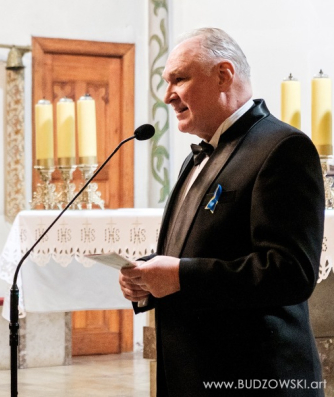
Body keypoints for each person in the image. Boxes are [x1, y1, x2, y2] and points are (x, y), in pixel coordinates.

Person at [119, 28, 324, 395]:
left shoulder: (282, 148)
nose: (167, 96)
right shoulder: (195, 157)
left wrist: (181, 276)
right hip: (193, 372)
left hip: (255, 375)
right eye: (167, 82)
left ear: (223, 75)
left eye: (179, 79)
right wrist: (147, 275)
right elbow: (196, 250)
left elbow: (290, 272)